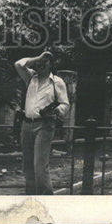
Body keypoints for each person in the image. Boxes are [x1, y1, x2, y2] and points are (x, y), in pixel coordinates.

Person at [14, 51, 70, 195]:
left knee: (39, 165)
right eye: (39, 63)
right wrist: (37, 57)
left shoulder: (57, 82)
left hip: (45, 125)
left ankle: (46, 199)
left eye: (44, 62)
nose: (41, 65)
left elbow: (65, 104)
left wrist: (57, 110)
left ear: (51, 64)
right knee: (27, 165)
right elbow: (18, 64)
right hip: (26, 124)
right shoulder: (30, 76)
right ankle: (31, 198)